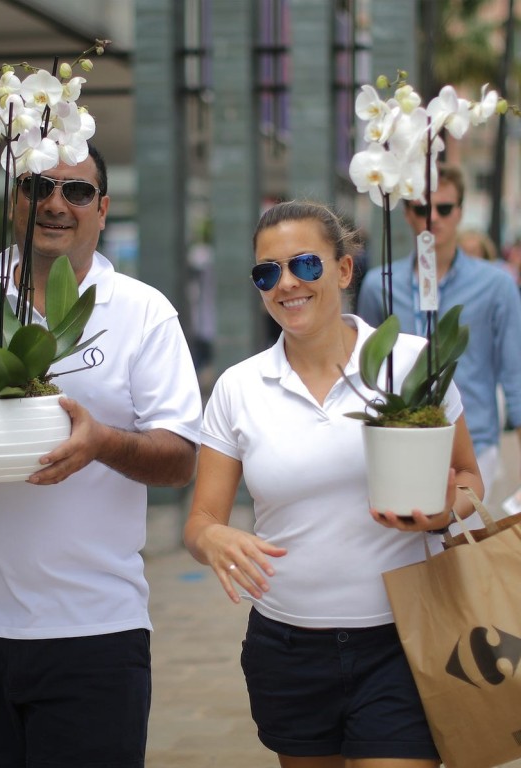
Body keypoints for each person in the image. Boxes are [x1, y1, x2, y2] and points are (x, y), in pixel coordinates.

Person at [0, 144, 202, 768]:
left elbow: (181, 459)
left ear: (102, 209)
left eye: (76, 192)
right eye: (36, 185)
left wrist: (100, 441)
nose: (55, 203)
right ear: (13, 199)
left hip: (96, 630)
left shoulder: (143, 312)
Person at [183, 200, 483, 768]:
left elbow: (468, 478)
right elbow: (199, 522)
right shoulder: (238, 387)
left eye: (306, 265)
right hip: (288, 647)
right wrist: (215, 541)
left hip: (406, 639)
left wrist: (444, 511)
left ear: (344, 271)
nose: (287, 284)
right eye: (267, 273)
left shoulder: (411, 364)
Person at [357, 163, 521, 512]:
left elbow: (516, 374)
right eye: (420, 208)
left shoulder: (496, 284)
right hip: (400, 440)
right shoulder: (379, 284)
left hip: (475, 439)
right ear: (406, 213)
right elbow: (365, 364)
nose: (433, 218)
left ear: (460, 211)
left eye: (444, 208)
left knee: (462, 549)